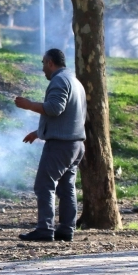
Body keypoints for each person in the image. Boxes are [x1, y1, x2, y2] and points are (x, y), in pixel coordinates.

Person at [14, 48, 86, 242]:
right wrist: (39, 133)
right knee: (67, 188)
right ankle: (66, 229)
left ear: (50, 63)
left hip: (60, 146)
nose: (43, 68)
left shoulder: (59, 80)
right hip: (76, 144)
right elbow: (69, 115)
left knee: (44, 185)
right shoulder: (74, 81)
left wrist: (28, 105)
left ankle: (45, 229)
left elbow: (55, 109)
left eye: (43, 63)